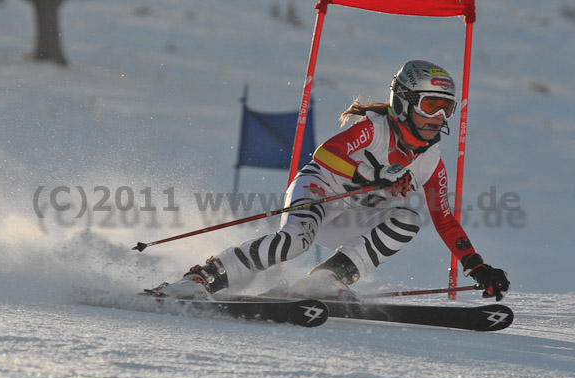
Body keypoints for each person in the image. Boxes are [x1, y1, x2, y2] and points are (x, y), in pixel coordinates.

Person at [146, 60, 510, 301]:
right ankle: (201, 278)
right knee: (293, 244)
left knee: (407, 219)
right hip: (319, 194)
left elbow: (444, 218)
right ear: (404, 102)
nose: (439, 116)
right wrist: (374, 175)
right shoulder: (374, 128)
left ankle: (324, 281)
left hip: (354, 217)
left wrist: (476, 265)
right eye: (431, 105)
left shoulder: (432, 161)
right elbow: (325, 155)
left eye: (447, 108)